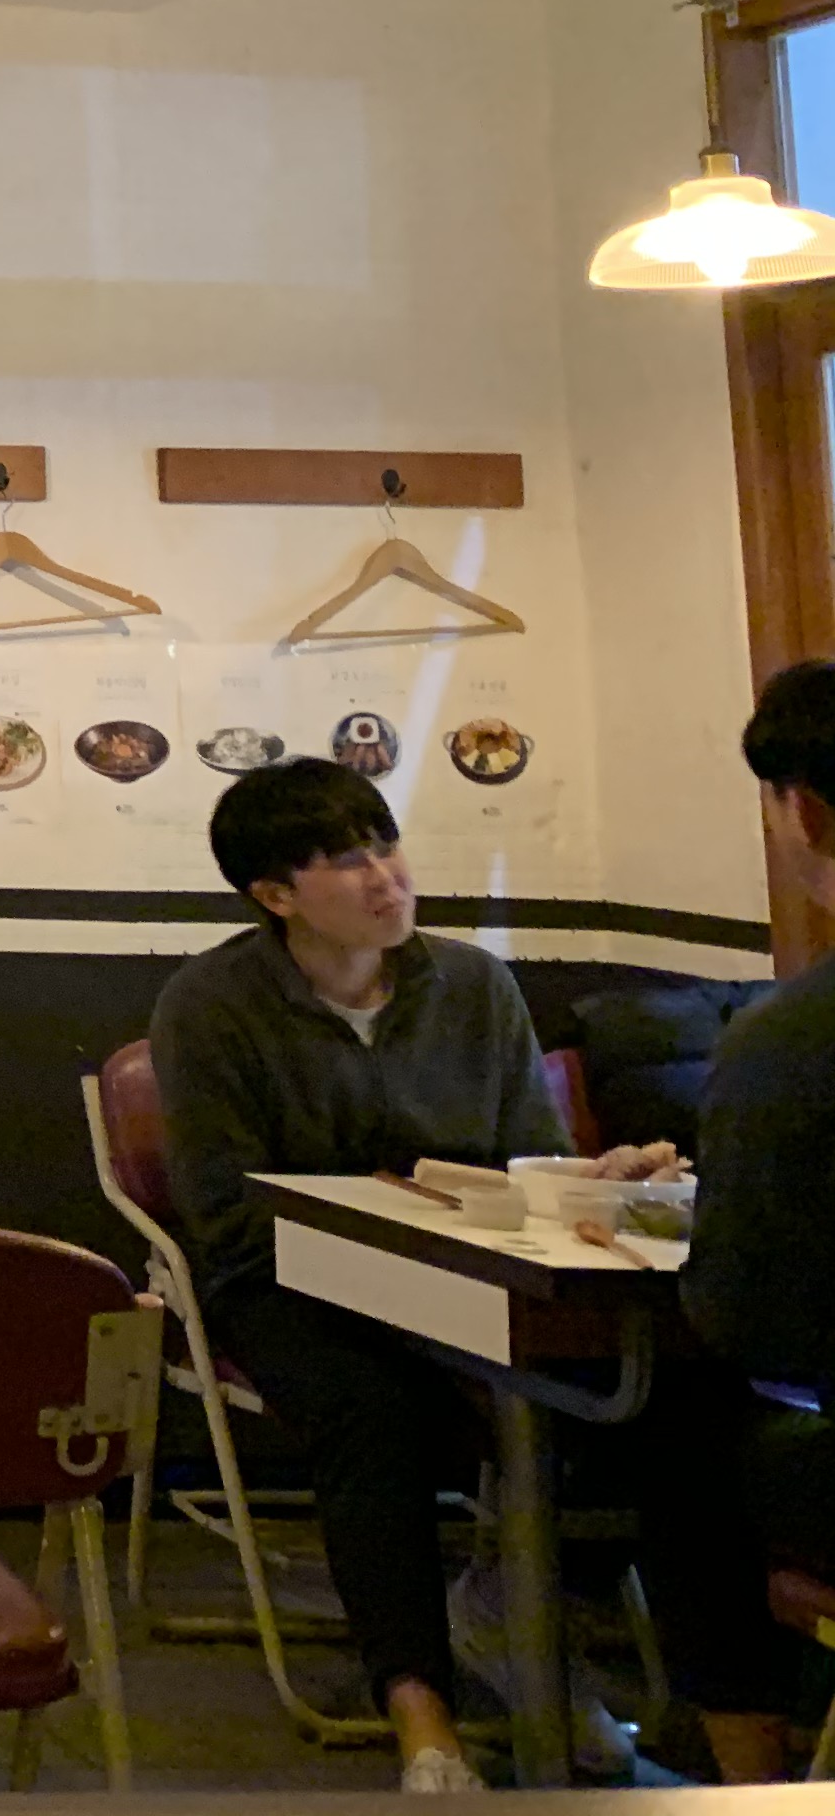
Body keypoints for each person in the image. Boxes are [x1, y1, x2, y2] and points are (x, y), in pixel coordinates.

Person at [153, 758, 792, 1789]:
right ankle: (424, 1717)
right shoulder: (211, 1004)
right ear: (275, 895)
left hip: (468, 1272)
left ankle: (735, 1754)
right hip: (283, 1279)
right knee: (376, 1410)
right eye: (346, 861)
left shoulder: (472, 985)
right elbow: (226, 1211)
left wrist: (588, 1180)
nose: (385, 877)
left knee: (676, 1398)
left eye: (386, 845)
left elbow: (527, 1159)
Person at [689, 663, 835, 1618]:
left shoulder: (788, 1038)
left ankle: (732, 1724)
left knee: (682, 1428)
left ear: (804, 811)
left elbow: (750, 1320)